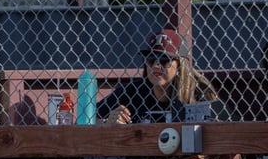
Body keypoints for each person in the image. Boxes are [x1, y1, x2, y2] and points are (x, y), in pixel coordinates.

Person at [97, 29, 229, 125]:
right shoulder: (132, 91)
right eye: (151, 59)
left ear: (180, 65)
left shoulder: (199, 92)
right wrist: (106, 124)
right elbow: (90, 119)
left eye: (164, 60)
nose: (156, 65)